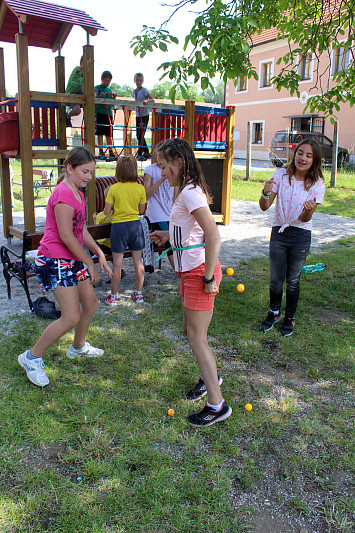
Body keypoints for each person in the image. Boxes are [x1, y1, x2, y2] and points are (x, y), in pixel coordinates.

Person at [149, 138, 232, 428]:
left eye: (163, 167)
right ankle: (209, 378)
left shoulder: (190, 193)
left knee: (197, 337)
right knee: (191, 332)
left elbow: (213, 235)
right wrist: (168, 239)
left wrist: (209, 277)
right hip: (190, 272)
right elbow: (191, 232)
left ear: (178, 163)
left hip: (199, 273)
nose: (161, 173)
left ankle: (216, 404)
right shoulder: (183, 190)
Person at [18, 147, 113, 387]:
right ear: (69, 168)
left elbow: (80, 230)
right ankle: (32, 357)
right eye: (84, 171)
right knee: (71, 316)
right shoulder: (63, 195)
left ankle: (78, 347)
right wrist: (88, 262)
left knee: (90, 302)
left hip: (71, 258)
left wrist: (99, 252)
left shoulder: (78, 194)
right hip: (55, 260)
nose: (89, 177)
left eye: (92, 172)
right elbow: (67, 237)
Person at [259, 139, 325, 337]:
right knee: (275, 279)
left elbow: (305, 219)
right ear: (294, 154)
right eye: (300, 153)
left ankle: (289, 317)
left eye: (308, 155)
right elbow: (264, 206)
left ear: (315, 161)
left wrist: (308, 211)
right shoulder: (280, 175)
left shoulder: (317, 184)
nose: (302, 158)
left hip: (300, 235)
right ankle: (274, 312)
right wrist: (265, 192)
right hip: (279, 232)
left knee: (293, 280)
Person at [104, 156, 147, 305]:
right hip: (135, 225)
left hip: (119, 227)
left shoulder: (114, 188)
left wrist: (117, 207)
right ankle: (139, 294)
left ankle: (114, 297)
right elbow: (141, 210)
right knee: (138, 262)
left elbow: (106, 211)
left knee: (117, 264)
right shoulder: (140, 188)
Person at [144, 161, 175, 269]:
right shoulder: (150, 170)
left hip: (171, 213)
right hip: (157, 215)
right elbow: (146, 196)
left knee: (178, 240)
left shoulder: (172, 167)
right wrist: (160, 181)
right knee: (170, 244)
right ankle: (180, 272)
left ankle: (184, 270)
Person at [92, 186, 125, 280]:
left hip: (105, 247)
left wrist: (94, 218)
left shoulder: (102, 216)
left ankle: (91, 273)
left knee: (88, 248)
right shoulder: (124, 214)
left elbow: (96, 231)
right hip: (120, 246)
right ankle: (119, 271)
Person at [95, 71, 117, 160]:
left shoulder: (109, 90)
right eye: (106, 81)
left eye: (109, 81)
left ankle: (110, 150)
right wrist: (103, 95)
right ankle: (101, 150)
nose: (108, 83)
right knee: (100, 132)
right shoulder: (97, 88)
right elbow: (96, 100)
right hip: (99, 112)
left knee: (109, 133)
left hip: (108, 113)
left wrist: (114, 96)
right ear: (102, 79)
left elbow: (112, 102)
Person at [132, 72, 154, 161]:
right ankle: (146, 152)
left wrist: (147, 101)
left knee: (141, 134)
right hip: (138, 114)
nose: (138, 82)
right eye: (137, 80)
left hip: (144, 114)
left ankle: (141, 152)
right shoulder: (134, 91)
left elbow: (152, 99)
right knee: (138, 134)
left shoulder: (144, 90)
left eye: (140, 80)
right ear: (134, 80)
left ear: (143, 81)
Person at [66, 57, 83, 126]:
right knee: (77, 110)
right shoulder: (77, 69)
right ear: (81, 63)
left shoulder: (86, 75)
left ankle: (68, 116)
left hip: (79, 94)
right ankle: (67, 116)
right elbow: (79, 69)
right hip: (72, 94)